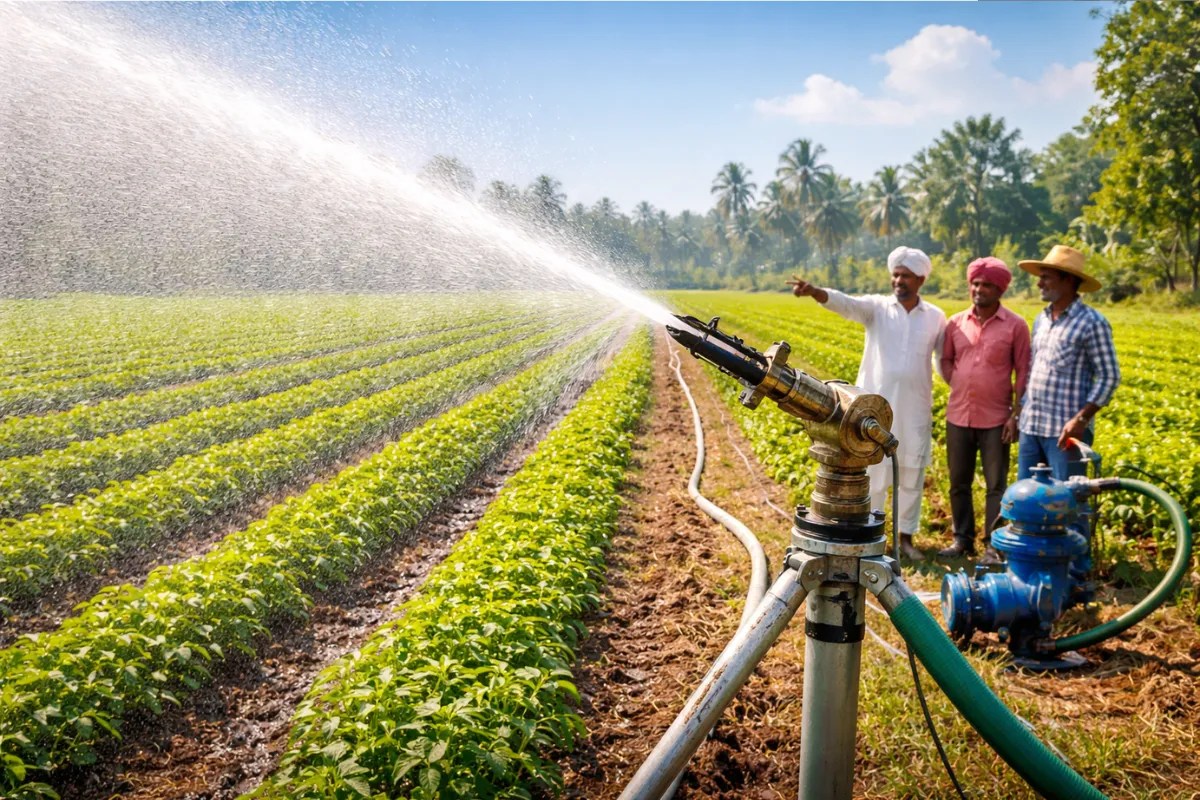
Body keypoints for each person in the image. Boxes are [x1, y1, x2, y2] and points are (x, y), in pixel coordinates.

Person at [788, 246, 946, 562]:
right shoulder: (877, 308)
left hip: (915, 407)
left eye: (905, 276)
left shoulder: (935, 317)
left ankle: (905, 539)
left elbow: (945, 359)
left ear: (920, 279)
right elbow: (847, 304)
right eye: (895, 275)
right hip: (874, 409)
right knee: (873, 473)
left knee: (911, 473)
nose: (898, 281)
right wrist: (816, 292)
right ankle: (872, 534)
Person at [936, 257, 1030, 563]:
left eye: (987, 285)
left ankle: (993, 544)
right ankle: (962, 539)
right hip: (958, 414)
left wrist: (1015, 414)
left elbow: (1022, 371)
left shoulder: (1015, 325)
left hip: (996, 418)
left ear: (1000, 289)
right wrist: (958, 383)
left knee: (996, 485)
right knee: (958, 482)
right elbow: (945, 360)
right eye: (975, 283)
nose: (979, 289)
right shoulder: (955, 322)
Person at [1016, 245, 1120, 482]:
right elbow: (1034, 369)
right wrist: (1020, 410)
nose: (1039, 283)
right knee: (1028, 497)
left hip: (1065, 432)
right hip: (1031, 427)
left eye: (1046, 278)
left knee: (1067, 498)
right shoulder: (1041, 319)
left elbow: (1110, 376)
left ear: (1069, 281)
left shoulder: (1092, 322)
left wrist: (1081, 420)